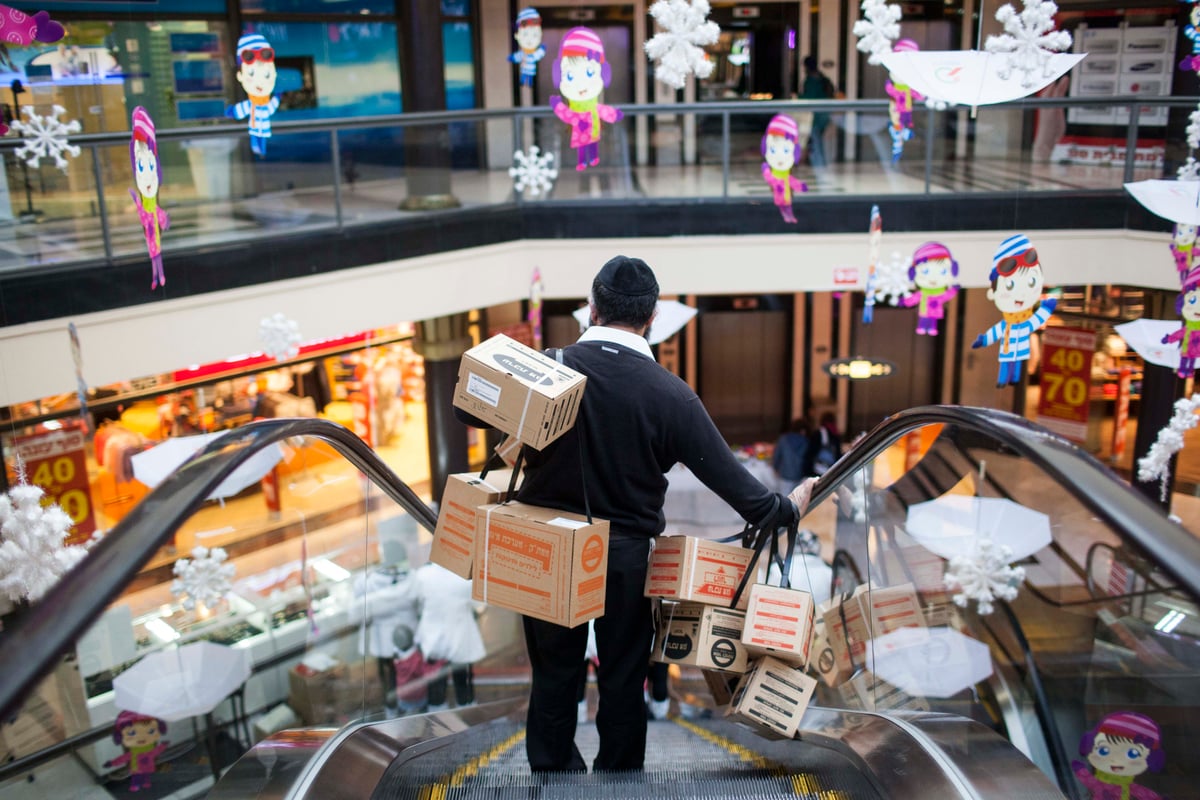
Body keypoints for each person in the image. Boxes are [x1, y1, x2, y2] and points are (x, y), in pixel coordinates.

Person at [456, 255, 798, 772]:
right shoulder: (672, 396)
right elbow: (747, 497)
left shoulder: (550, 369)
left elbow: (466, 406)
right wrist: (792, 505)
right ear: (652, 318)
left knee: (553, 676)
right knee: (622, 679)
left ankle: (552, 778)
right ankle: (619, 780)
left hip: (545, 546)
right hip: (627, 560)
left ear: (591, 309)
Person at [413, 561, 486, 710]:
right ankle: (467, 720)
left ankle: (438, 726)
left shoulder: (422, 576)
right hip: (460, 642)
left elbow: (418, 605)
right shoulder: (464, 578)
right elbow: (479, 605)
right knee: (464, 687)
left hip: (433, 642)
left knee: (436, 691)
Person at [801, 56, 834, 168]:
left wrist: (798, 97)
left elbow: (807, 98)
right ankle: (820, 162)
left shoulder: (811, 81)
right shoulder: (822, 78)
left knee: (816, 140)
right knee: (817, 140)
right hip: (825, 114)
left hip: (816, 116)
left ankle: (819, 164)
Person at [772, 417, 811, 490]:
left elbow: (776, 456)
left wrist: (775, 467)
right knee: (797, 500)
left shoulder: (783, 439)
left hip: (785, 475)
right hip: (799, 476)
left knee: (784, 499)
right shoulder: (806, 441)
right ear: (803, 430)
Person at [809, 412, 842, 477]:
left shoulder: (819, 433)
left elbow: (811, 452)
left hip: (818, 468)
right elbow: (838, 453)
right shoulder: (835, 432)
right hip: (831, 469)